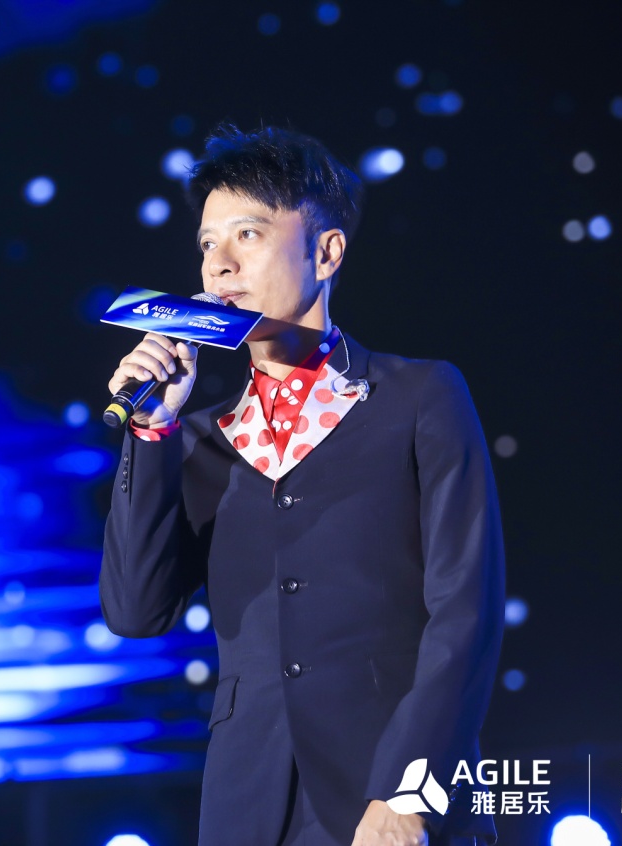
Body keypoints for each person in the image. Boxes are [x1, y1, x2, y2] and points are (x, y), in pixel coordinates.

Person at [100, 124, 505, 846]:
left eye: (247, 235)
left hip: (386, 792)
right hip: (247, 805)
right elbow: (136, 611)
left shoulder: (419, 396)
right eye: (206, 244)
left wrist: (410, 791)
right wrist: (152, 431)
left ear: (326, 252)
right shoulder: (202, 439)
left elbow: (465, 612)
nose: (219, 264)